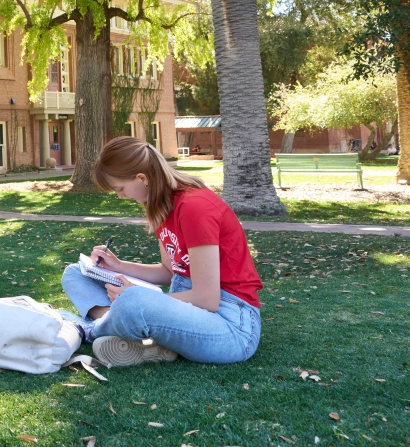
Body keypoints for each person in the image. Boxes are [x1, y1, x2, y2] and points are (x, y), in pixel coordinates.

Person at [60, 136, 263, 367]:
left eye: (120, 188)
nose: (120, 196)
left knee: (134, 301)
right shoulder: (162, 205)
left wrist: (137, 298)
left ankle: (88, 329)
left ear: (142, 178)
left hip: (231, 327)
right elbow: (170, 272)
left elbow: (207, 299)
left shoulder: (195, 207)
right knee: (76, 273)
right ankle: (135, 331)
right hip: (186, 309)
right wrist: (118, 266)